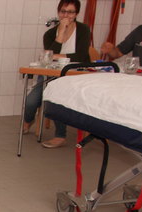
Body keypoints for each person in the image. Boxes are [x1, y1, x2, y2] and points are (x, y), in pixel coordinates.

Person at [23, 0, 91, 149]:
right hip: (52, 74)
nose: (66, 15)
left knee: (56, 98)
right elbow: (49, 56)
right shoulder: (49, 34)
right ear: (58, 12)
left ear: (76, 14)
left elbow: (80, 55)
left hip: (75, 75)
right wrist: (60, 35)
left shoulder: (84, 30)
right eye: (63, 11)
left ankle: (60, 135)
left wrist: (59, 56)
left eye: (71, 12)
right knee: (31, 101)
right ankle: (28, 120)